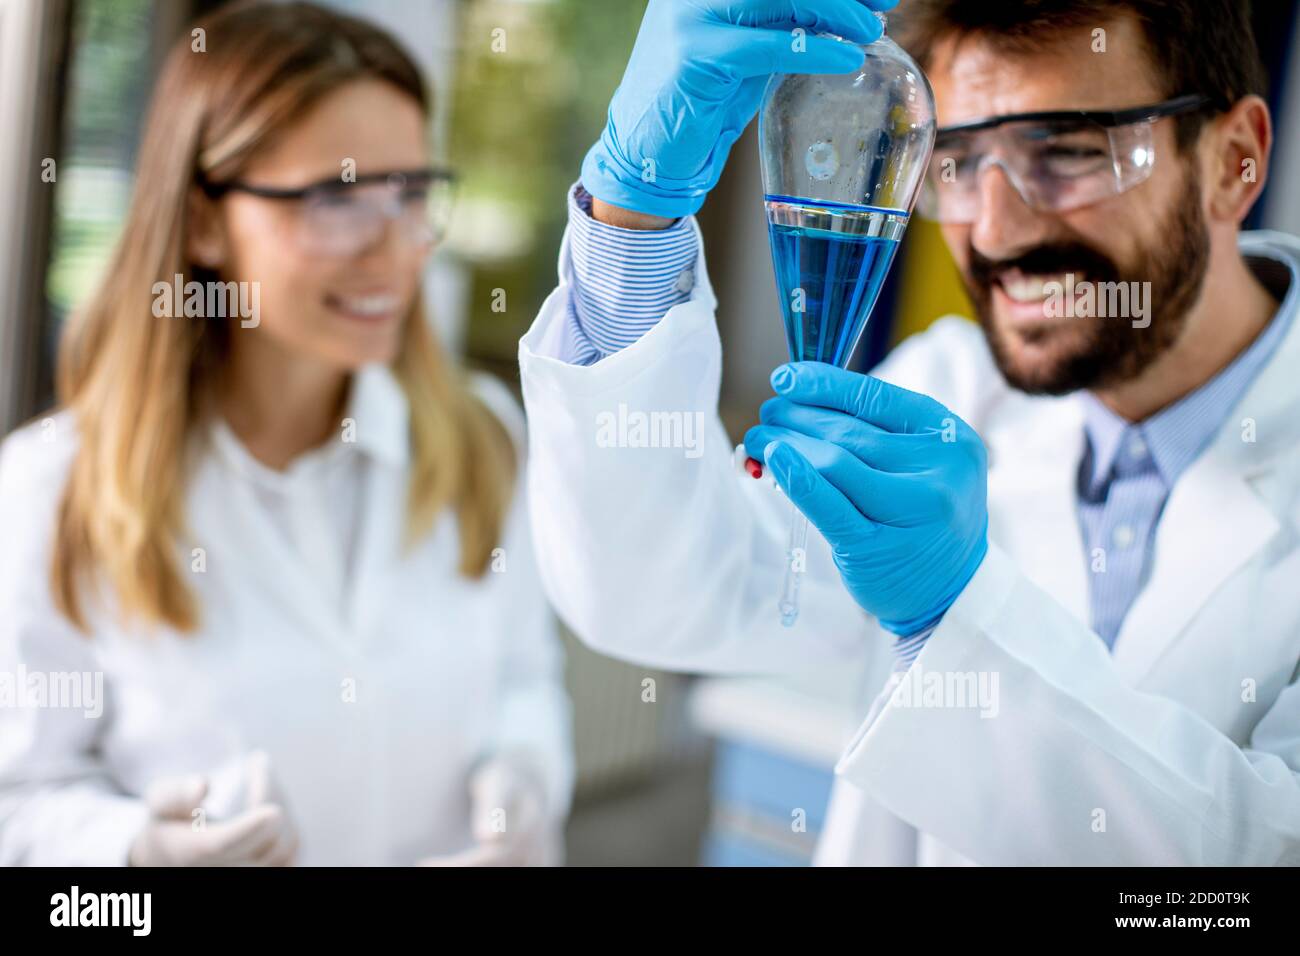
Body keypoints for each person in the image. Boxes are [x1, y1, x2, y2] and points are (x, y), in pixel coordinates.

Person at [518, 0, 1300, 865]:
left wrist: (954, 614)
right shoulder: (949, 388)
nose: (995, 231)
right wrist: (632, 220)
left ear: (1236, 160)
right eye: (958, 163)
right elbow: (665, 591)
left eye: (1072, 151)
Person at [0, 1, 571, 866]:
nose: (396, 250)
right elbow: (20, 802)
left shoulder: (483, 444)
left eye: (413, 192)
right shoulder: (51, 491)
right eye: (338, 196)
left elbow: (526, 685)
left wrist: (527, 771)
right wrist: (134, 853)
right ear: (201, 223)